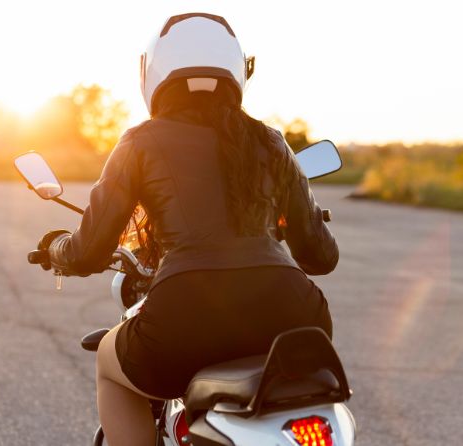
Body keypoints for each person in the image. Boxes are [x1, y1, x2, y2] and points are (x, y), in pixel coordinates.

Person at [34, 13, 338, 446]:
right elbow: (320, 259)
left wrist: (57, 248)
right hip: (296, 317)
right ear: (238, 70)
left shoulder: (140, 141)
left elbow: (89, 250)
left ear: (153, 73)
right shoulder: (272, 141)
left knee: (108, 364)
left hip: (184, 317)